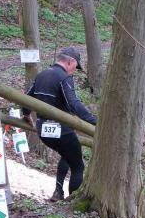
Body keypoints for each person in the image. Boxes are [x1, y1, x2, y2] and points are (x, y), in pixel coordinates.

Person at [22, 47, 97, 201]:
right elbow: (73, 103)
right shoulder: (64, 77)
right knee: (78, 166)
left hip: (43, 129)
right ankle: (72, 201)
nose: (74, 70)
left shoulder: (41, 75)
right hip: (61, 130)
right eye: (75, 66)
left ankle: (58, 192)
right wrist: (94, 121)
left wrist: (26, 114)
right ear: (70, 62)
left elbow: (27, 97)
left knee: (67, 155)